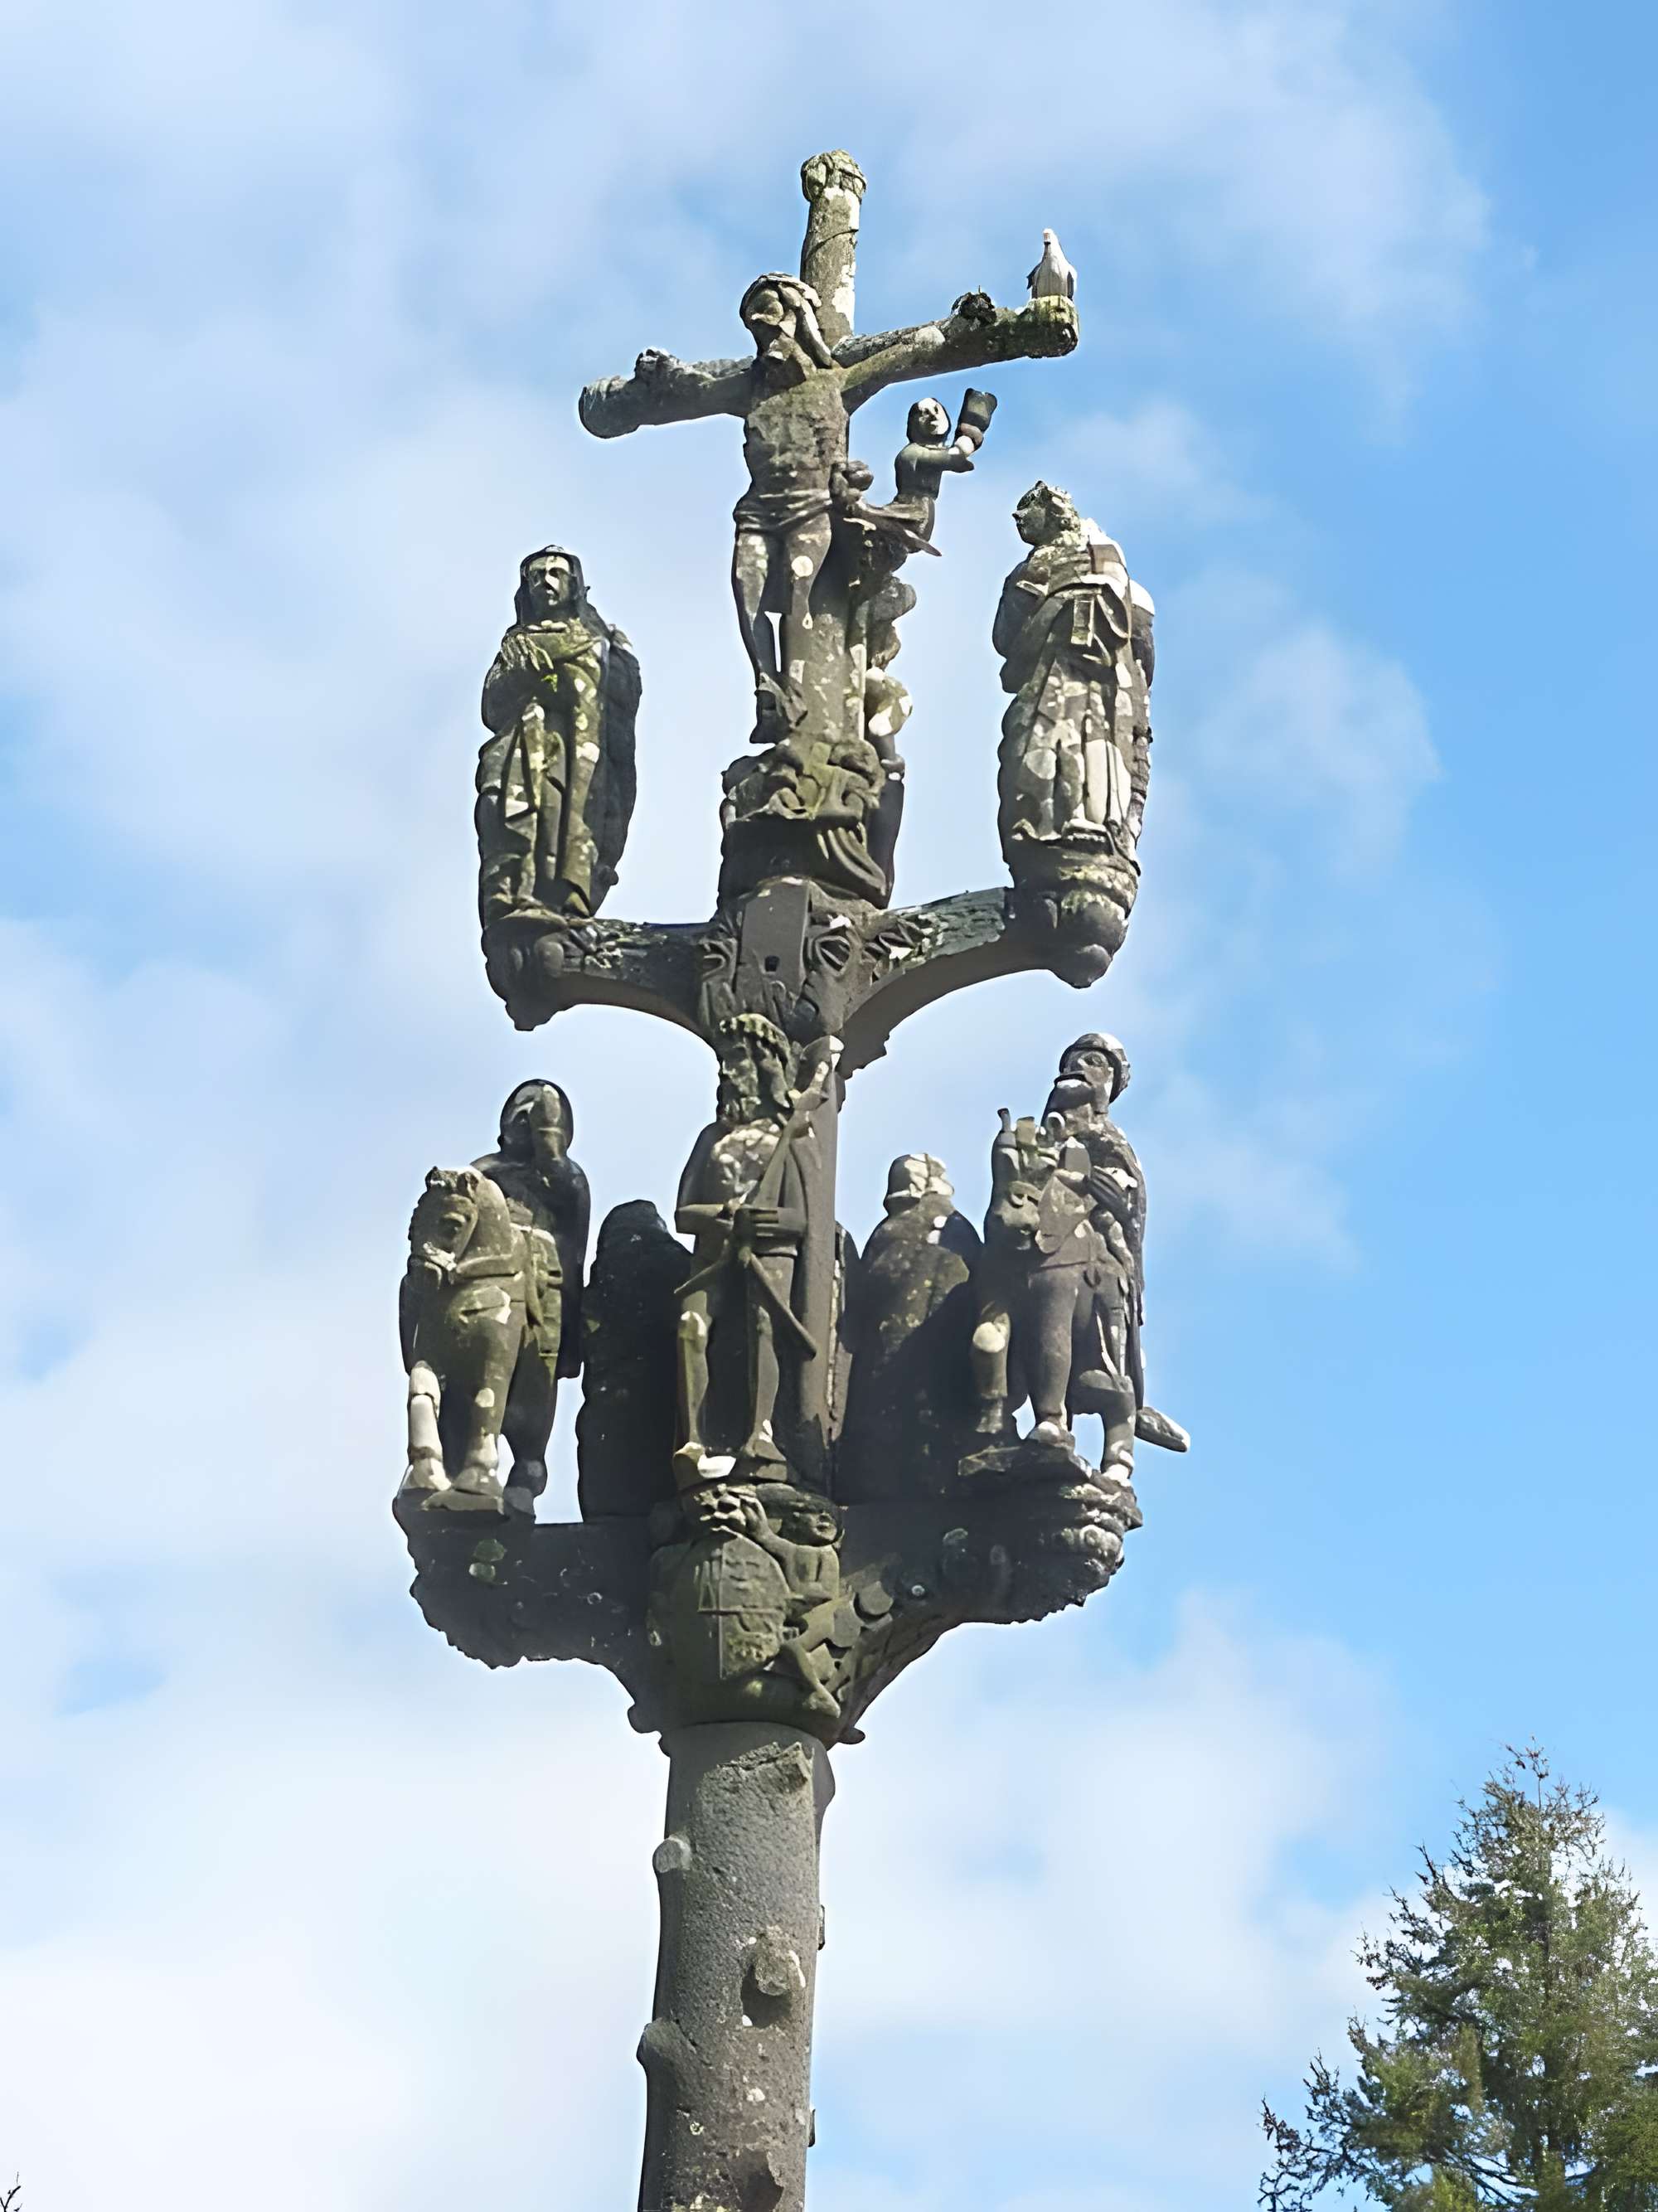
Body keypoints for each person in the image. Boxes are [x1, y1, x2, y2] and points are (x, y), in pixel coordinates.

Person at [674, 1022, 832, 1481]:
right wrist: (723, 1215)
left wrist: (758, 1223)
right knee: (690, 1326)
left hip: (771, 1254)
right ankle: (693, 1438)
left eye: (737, 1059)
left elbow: (803, 1222)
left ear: (765, 1067)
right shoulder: (712, 1137)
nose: (725, 1071)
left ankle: (759, 1432)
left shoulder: (793, 1136)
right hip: (713, 1257)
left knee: (764, 1326)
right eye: (723, 1061)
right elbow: (683, 1213)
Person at [476, 546, 640, 925]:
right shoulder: (517, 643)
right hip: (522, 747)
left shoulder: (600, 641)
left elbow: (618, 700)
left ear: (574, 585)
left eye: (555, 574)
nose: (545, 582)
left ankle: (565, 897)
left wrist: (572, 683)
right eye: (536, 576)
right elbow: (492, 705)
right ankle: (513, 897)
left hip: (576, 752)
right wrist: (523, 676)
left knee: (562, 812)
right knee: (505, 811)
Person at [993, 483, 1151, 856]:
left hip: (1098, 680)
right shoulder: (1039, 564)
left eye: (1027, 507)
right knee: (1045, 738)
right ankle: (1051, 820)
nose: (1018, 517)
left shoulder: (1077, 556)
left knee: (1093, 739)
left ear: (1050, 510)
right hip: (1050, 668)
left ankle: (1093, 821)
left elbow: (1137, 626)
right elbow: (1005, 636)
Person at [473, 1079, 591, 1511]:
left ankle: (528, 1466)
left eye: (541, 1118)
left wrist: (550, 1150)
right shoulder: (484, 1172)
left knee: (536, 1367)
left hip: (543, 1277)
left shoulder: (565, 1178)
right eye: (521, 1113)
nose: (528, 1122)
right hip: (486, 1270)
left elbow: (574, 1232)